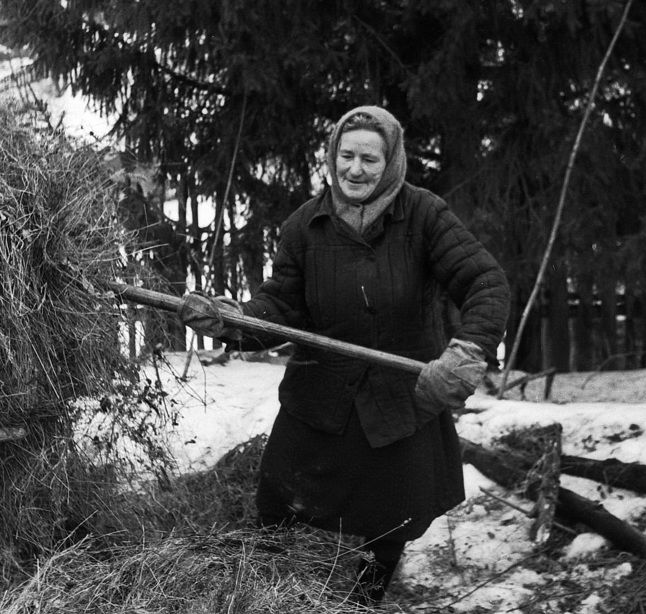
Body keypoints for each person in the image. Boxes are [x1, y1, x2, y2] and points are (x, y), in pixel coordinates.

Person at [179, 105, 510, 606]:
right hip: (321, 395)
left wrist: (466, 349)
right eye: (346, 155)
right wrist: (233, 321)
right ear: (332, 157)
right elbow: (281, 308)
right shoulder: (305, 226)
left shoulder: (424, 215)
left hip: (399, 399)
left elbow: (486, 282)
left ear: (392, 162)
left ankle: (362, 601)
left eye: (369, 159)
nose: (355, 169)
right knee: (276, 502)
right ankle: (266, 597)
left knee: (390, 519)